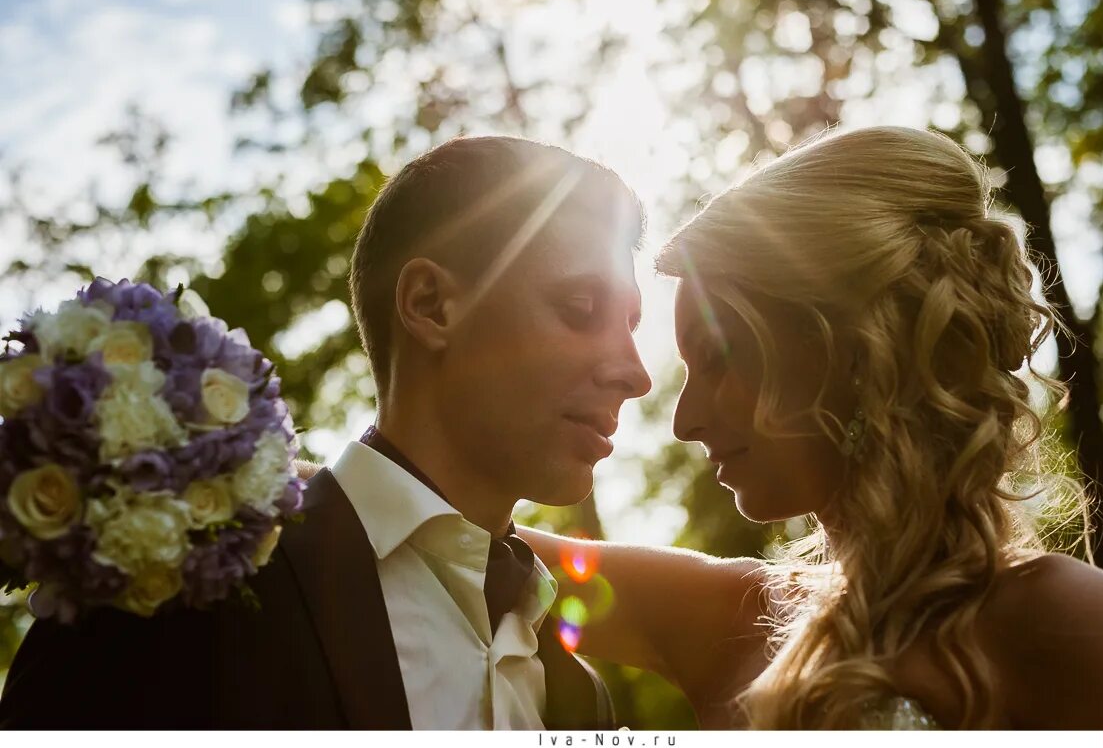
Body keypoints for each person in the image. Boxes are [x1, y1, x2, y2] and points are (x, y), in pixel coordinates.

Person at [518, 126, 1103, 729]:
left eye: (720, 359)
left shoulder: (1064, 619)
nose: (685, 419)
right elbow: (459, 536)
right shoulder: (726, 617)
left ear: (851, 351)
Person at [0, 136, 652, 729]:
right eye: (581, 310)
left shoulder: (579, 698)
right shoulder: (174, 597)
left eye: (631, 323)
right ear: (429, 304)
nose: (635, 372)